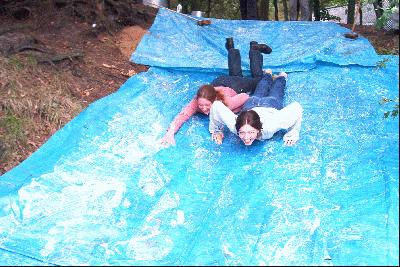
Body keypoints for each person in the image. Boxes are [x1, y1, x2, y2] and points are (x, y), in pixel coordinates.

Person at [160, 38, 272, 147]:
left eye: (207, 105)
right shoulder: (196, 102)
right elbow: (182, 116)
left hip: (235, 85)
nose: (203, 108)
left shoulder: (226, 102)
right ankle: (232, 49)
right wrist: (170, 133)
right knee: (236, 75)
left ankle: (254, 50)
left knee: (258, 79)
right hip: (218, 81)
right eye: (201, 105)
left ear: (214, 100)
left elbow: (244, 96)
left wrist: (234, 111)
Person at [209, 70, 303, 146]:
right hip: (252, 104)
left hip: (270, 105)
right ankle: (268, 74)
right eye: (241, 132)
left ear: (258, 129)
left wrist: (291, 135)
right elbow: (216, 105)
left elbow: (296, 107)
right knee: (261, 86)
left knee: (277, 88)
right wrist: (217, 131)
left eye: (251, 132)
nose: (246, 138)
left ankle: (282, 76)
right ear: (237, 128)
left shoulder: (269, 128)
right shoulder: (235, 126)